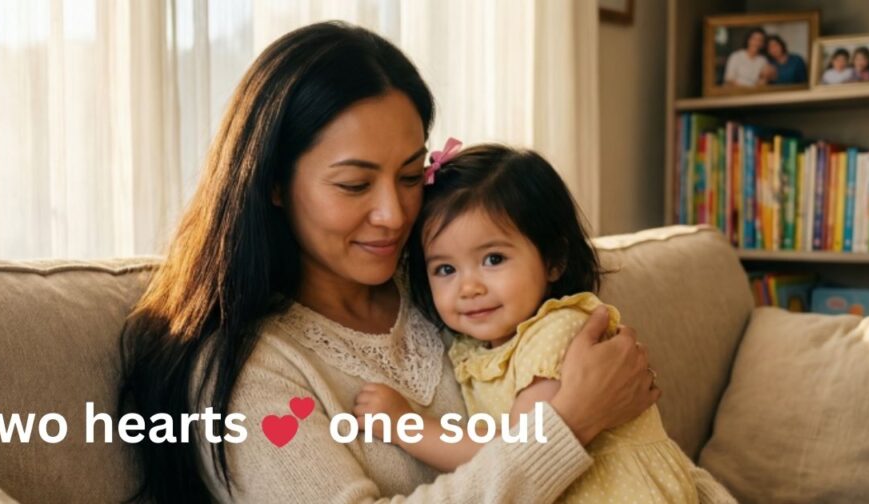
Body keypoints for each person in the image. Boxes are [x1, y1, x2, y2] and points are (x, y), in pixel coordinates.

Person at [119, 21, 735, 503]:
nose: (394, 213)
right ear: (274, 184)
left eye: (412, 175)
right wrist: (568, 424)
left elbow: (638, 458)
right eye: (355, 185)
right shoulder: (250, 371)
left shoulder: (452, 284)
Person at [354, 143, 699, 503]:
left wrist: (406, 427)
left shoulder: (558, 332)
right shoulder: (472, 349)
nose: (469, 287)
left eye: (493, 258)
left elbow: (515, 453)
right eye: (446, 269)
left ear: (554, 260)